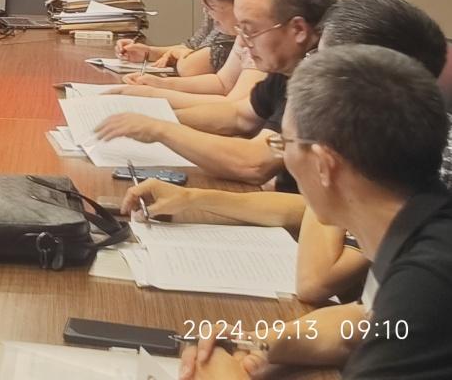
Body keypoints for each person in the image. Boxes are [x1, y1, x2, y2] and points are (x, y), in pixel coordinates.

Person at [123, 0, 450, 305]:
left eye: (320, 58)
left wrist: (321, 159)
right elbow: (305, 199)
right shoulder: (378, 136)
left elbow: (315, 280)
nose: (309, 64)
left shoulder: (418, 158)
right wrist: (194, 199)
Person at [179, 45, 452, 379]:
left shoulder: (427, 281)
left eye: (285, 144)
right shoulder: (421, 221)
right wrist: (256, 343)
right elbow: (360, 322)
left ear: (324, 164)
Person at [96, 0, 333, 188]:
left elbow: (256, 161)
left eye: (250, 31)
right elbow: (239, 115)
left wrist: (160, 129)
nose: (243, 43)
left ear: (298, 29)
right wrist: (147, 120)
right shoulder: (288, 63)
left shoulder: (325, 78)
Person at [116, 0, 270, 108]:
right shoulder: (244, 35)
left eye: (212, 5)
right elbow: (222, 83)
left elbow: (234, 108)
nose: (207, 12)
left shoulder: (265, 40)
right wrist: (159, 84)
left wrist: (153, 94)